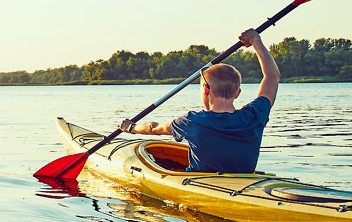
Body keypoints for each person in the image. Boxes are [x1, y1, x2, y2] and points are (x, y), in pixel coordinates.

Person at [120, 29, 280, 173]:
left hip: (201, 184)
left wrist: (131, 127)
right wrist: (256, 41)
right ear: (237, 93)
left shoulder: (192, 121)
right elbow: (272, 76)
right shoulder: (255, 115)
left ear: (205, 90)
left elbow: (153, 128)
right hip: (245, 181)